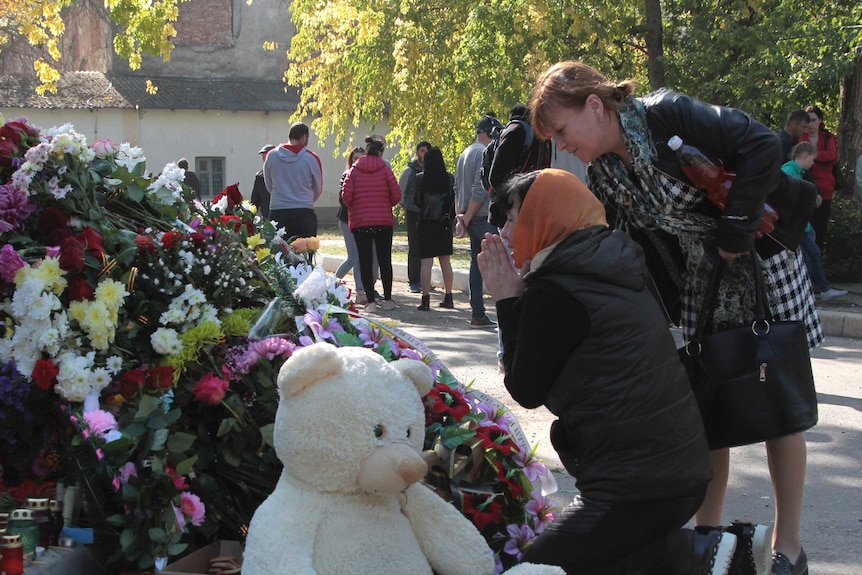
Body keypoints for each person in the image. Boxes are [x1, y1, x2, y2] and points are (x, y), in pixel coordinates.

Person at [530, 60, 822, 575]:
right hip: (701, 283)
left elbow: (759, 144)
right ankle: (708, 539)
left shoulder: (670, 114)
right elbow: (623, 246)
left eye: (560, 128)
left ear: (594, 106)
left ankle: (789, 548)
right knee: (708, 406)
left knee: (779, 404)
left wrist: (734, 231)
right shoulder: (605, 172)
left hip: (760, 262)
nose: (560, 143)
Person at [478, 168, 732, 575]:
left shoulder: (557, 289)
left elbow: (525, 388)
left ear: (543, 218)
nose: (506, 232)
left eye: (513, 218)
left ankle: (702, 556)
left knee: (536, 569)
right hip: (679, 473)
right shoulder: (607, 260)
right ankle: (700, 553)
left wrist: (508, 300)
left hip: (634, 487)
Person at [781, 142, 847, 301]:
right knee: (813, 253)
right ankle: (823, 288)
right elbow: (791, 198)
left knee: (809, 254)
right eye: (811, 160)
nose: (812, 164)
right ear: (803, 157)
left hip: (802, 223)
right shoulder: (789, 171)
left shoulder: (794, 171)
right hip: (797, 224)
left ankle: (811, 286)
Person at [342, 136, 401, 312]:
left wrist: (360, 206)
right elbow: (396, 196)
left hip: (361, 222)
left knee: (365, 261)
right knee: (384, 260)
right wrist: (383, 204)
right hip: (383, 221)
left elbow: (347, 197)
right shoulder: (385, 170)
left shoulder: (353, 170)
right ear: (379, 152)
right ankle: (388, 299)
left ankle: (370, 302)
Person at [455, 114, 503, 328]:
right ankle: (502, 311)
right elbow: (480, 188)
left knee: (476, 264)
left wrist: (462, 217)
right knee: (495, 263)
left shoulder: (465, 153)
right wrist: (468, 216)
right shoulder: (484, 152)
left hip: (469, 216)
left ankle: (478, 312)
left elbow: (458, 189)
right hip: (482, 215)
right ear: (490, 132)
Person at [487, 103, 554, 228]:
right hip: (508, 218)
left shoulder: (540, 135)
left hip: (529, 215)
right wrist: (516, 206)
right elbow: (496, 176)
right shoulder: (517, 131)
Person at [264, 121, 324, 238]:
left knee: (279, 252)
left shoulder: (271, 156)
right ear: (303, 137)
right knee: (305, 251)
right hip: (304, 210)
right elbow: (318, 188)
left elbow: (268, 184)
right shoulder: (311, 158)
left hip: (278, 209)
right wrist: (306, 199)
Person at [414, 147, 455, 311]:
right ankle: (449, 296)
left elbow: (417, 201)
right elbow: (453, 199)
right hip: (444, 223)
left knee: (426, 263)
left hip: (426, 222)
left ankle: (425, 299)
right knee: (446, 262)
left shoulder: (420, 178)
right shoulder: (449, 178)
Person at [335, 146, 378, 303]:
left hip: (361, 222)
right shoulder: (347, 175)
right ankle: (332, 282)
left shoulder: (368, 177)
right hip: (347, 221)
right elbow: (344, 200)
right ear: (351, 160)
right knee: (354, 257)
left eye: (361, 158)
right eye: (355, 158)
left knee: (361, 258)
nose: (358, 161)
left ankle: (361, 291)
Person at [801, 105, 838, 255]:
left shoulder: (828, 137)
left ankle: (818, 265)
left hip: (825, 189)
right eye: (808, 120)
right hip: (805, 187)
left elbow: (832, 156)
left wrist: (812, 155)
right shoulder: (801, 138)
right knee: (806, 230)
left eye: (814, 120)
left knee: (820, 230)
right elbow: (800, 157)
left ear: (820, 120)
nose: (810, 124)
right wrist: (819, 156)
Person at [399, 141, 432, 293]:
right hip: (413, 212)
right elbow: (401, 193)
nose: (424, 154)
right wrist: (407, 206)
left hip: (428, 213)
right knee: (414, 247)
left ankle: (424, 279)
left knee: (426, 247)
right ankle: (414, 280)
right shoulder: (409, 171)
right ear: (418, 152)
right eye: (422, 151)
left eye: (427, 151)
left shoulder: (431, 170)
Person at [250, 144, 275, 221]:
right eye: (263, 158)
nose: (265, 161)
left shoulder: (282, 175)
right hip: (266, 218)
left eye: (267, 157)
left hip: (281, 215)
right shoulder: (259, 177)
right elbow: (255, 200)